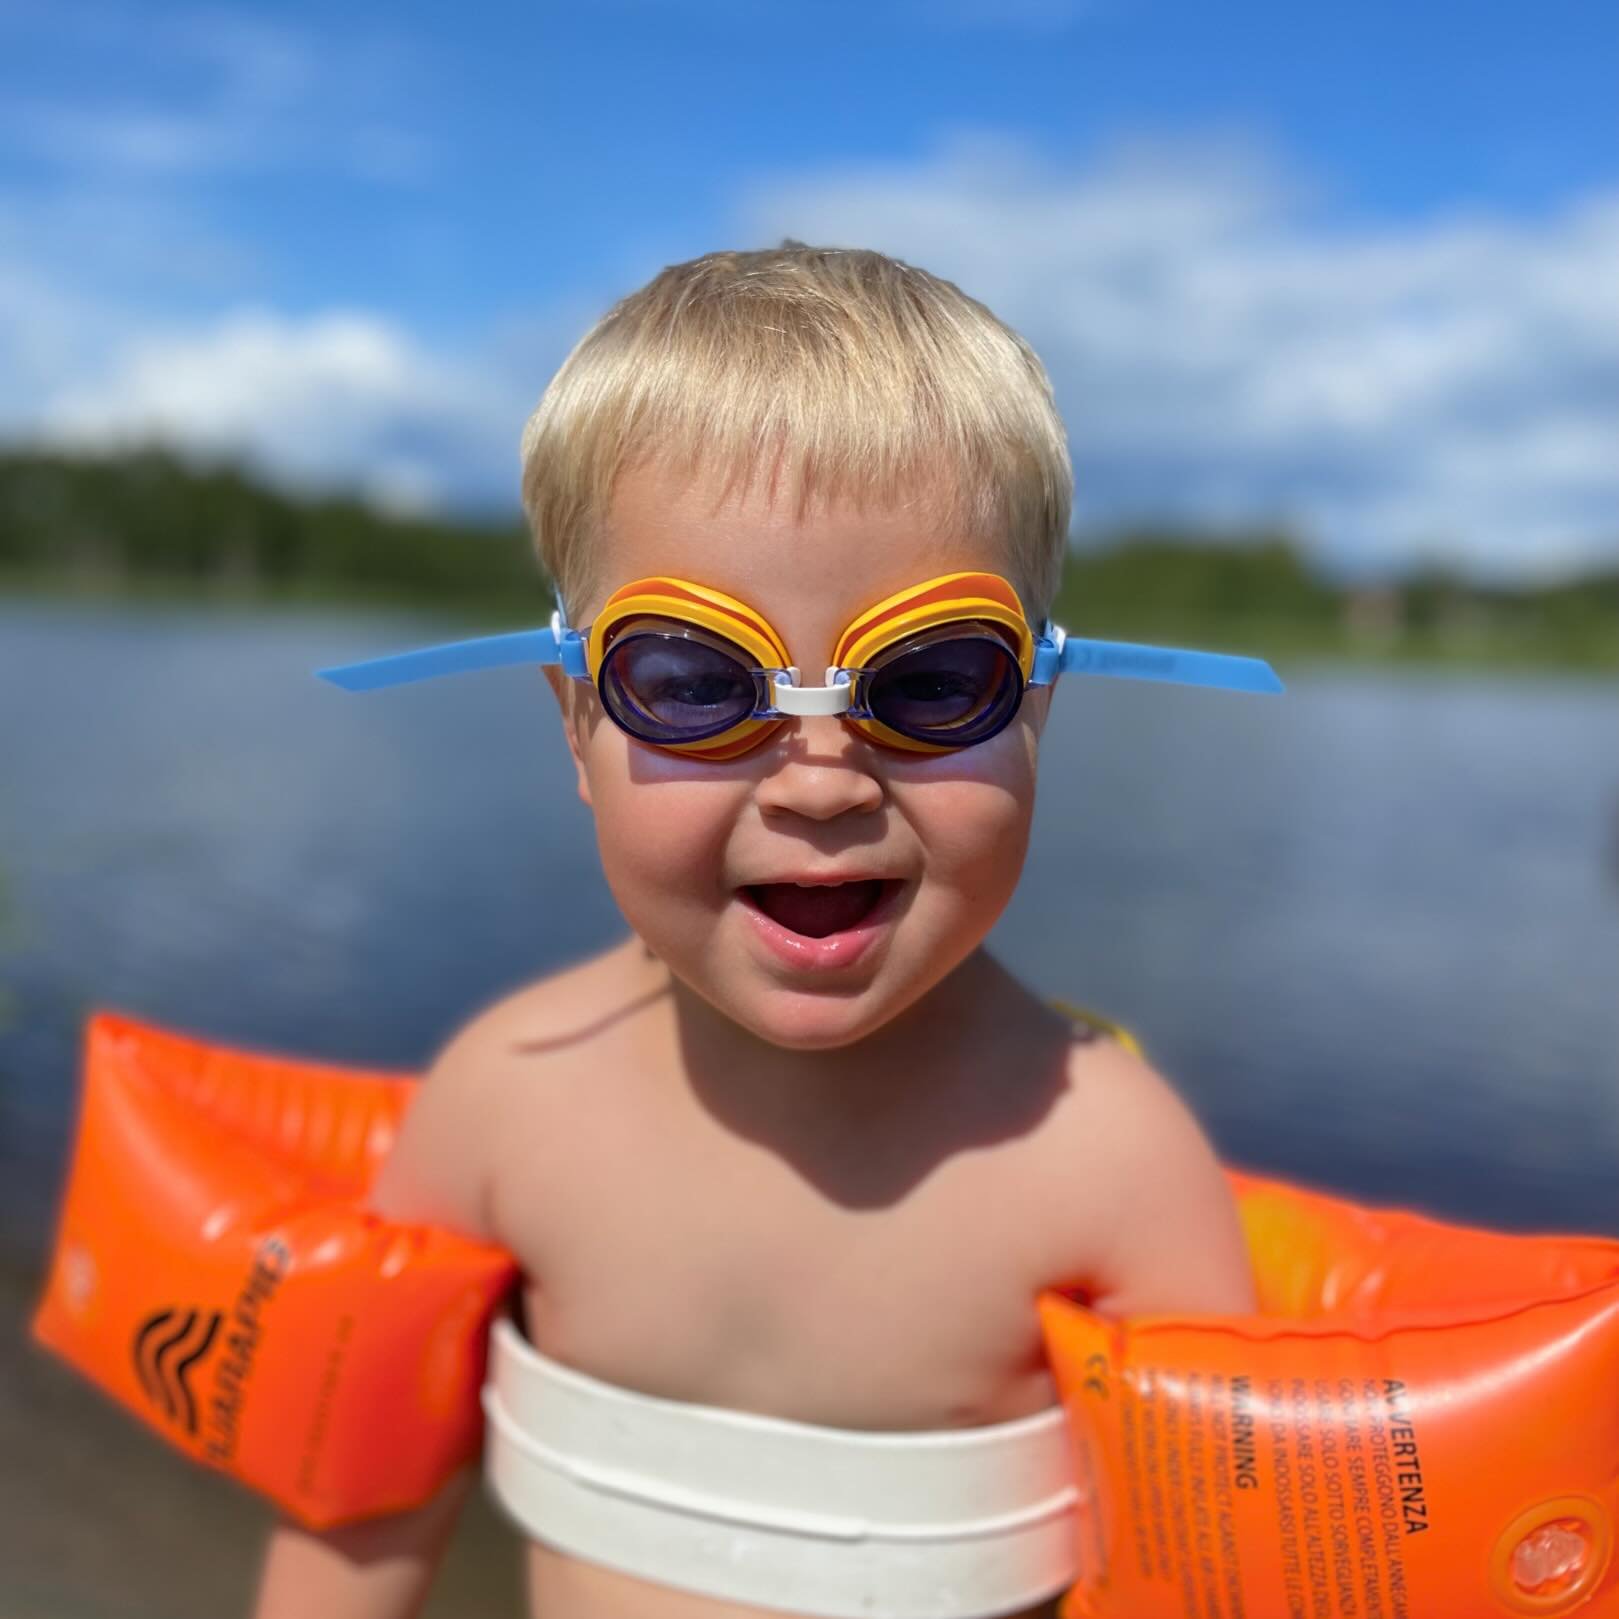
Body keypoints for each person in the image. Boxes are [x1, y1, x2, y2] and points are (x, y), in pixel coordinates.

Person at [251, 241, 1259, 1619]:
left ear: (1036, 707)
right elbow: (354, 1522)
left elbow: (1216, 1582)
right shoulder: (504, 1105)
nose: (825, 776)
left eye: (936, 678)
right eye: (690, 680)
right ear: (575, 722)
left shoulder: (1113, 1167)